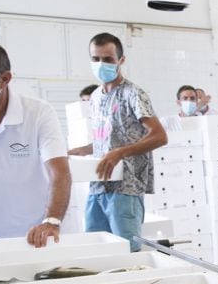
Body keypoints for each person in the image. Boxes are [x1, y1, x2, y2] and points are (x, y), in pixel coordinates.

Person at [0, 39, 70, 246]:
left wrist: (52, 220)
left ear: (4, 79)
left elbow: (60, 172)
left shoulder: (38, 113)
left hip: (42, 233)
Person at [68, 32, 167, 251]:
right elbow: (108, 139)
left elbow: (159, 136)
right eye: (96, 59)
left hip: (126, 187)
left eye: (108, 59)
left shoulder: (134, 94)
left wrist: (120, 153)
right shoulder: (95, 96)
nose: (101, 64)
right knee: (96, 248)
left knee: (127, 251)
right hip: (98, 185)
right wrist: (83, 151)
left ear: (121, 61)